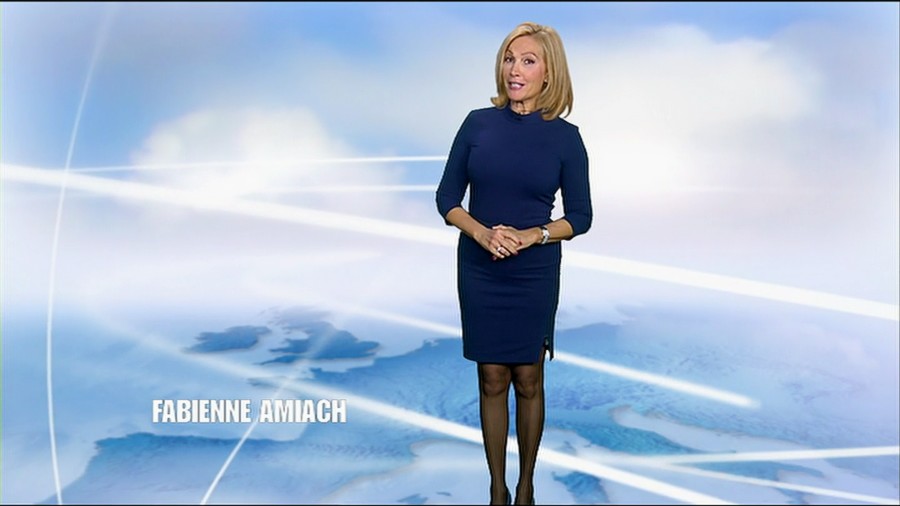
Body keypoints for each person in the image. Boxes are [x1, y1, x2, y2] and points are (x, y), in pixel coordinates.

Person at [435, 21, 593, 506]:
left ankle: (526, 488)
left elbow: (581, 217)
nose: (515, 70)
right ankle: (497, 491)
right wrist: (482, 232)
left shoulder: (566, 138)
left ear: (549, 72)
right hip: (480, 266)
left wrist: (533, 235)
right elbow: (446, 199)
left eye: (527, 61)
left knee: (527, 377)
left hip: (533, 270)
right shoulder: (477, 124)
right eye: (509, 59)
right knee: (491, 376)